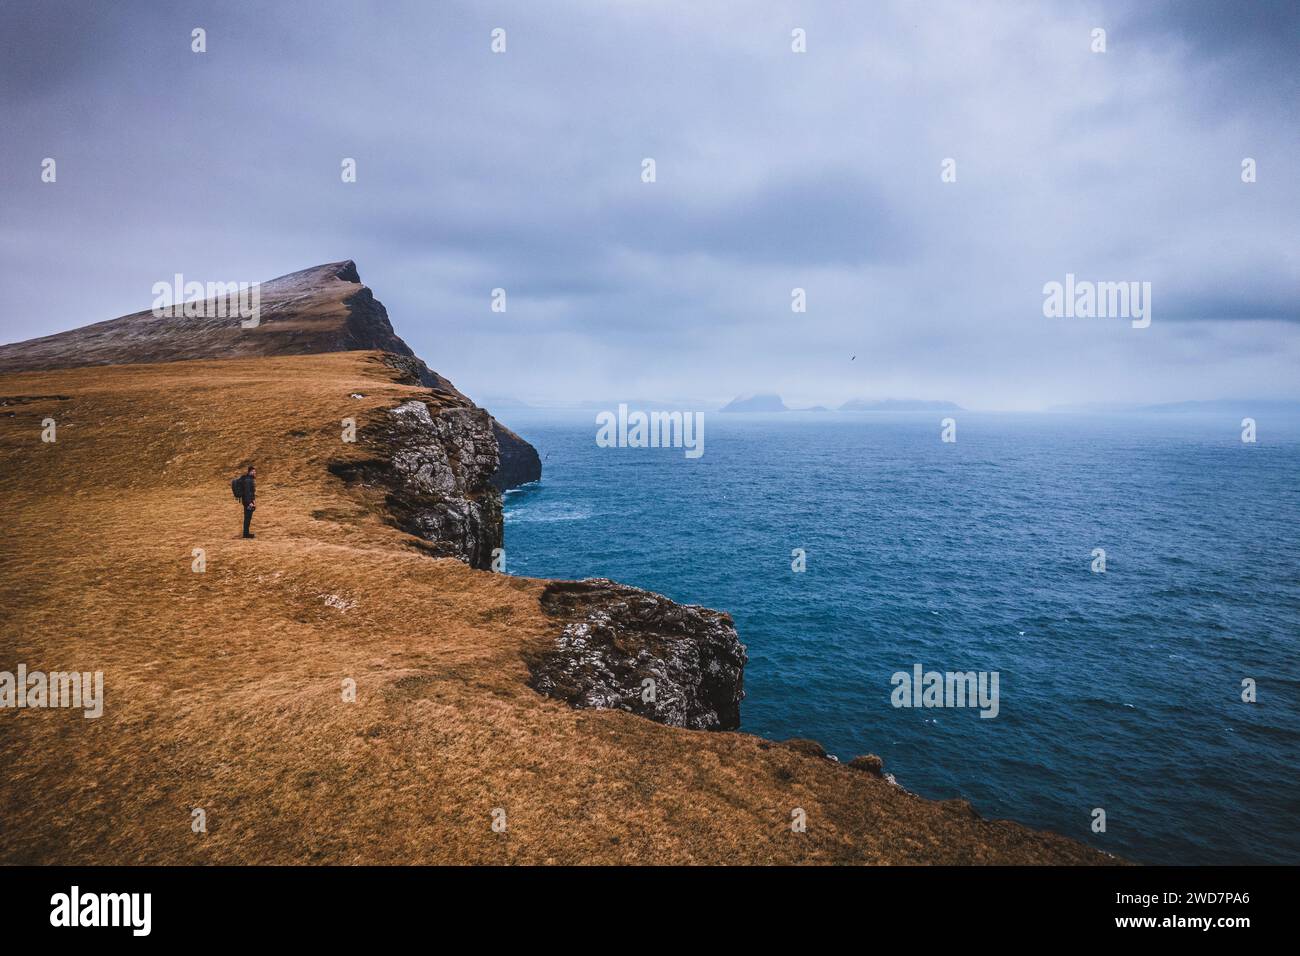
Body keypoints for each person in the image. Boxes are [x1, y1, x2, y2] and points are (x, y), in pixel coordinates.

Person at [237, 465, 257, 538]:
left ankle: (246, 533)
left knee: (248, 517)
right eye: (253, 471)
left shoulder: (249, 479)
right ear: (250, 472)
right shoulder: (248, 480)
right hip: (247, 502)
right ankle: (246, 534)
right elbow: (247, 493)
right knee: (247, 517)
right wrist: (250, 503)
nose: (255, 473)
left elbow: (251, 492)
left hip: (248, 501)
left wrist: (253, 501)